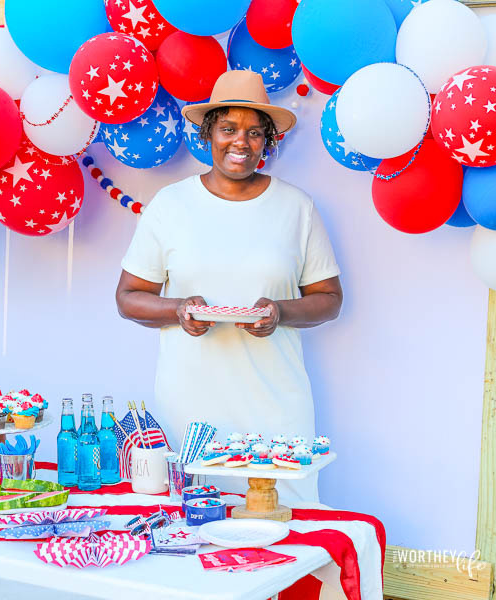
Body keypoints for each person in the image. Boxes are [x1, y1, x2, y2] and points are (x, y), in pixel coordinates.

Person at [115, 70, 343, 502]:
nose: (241, 142)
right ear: (208, 134)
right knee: (192, 526)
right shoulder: (171, 205)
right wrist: (179, 310)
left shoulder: (297, 207)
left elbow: (329, 300)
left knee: (285, 524)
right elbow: (128, 299)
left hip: (275, 404)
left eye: (255, 132)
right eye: (228, 128)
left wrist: (280, 312)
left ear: (267, 141)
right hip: (191, 407)